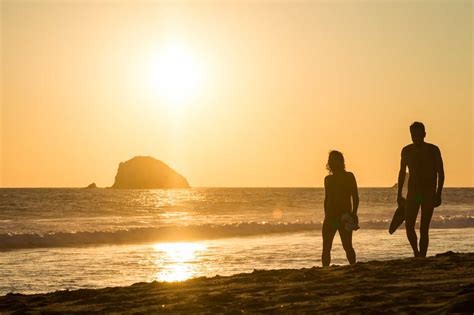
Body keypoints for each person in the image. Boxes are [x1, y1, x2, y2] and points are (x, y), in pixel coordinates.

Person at [397, 122, 444, 258]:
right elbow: (401, 172)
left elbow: (440, 172)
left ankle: (422, 255)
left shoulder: (433, 150)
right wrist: (399, 194)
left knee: (424, 227)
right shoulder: (406, 151)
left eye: (418, 134)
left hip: (428, 194)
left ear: (424, 134)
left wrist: (438, 193)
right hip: (414, 194)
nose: (416, 137)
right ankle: (416, 253)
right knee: (409, 225)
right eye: (413, 135)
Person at [322, 150, 359, 267]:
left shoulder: (349, 176)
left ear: (341, 161)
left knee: (347, 246)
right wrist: (326, 215)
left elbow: (355, 197)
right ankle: (325, 270)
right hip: (330, 218)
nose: (332, 163)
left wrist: (354, 213)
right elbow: (327, 198)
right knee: (326, 247)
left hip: (345, 217)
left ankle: (353, 267)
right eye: (331, 160)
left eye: (335, 160)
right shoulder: (328, 179)